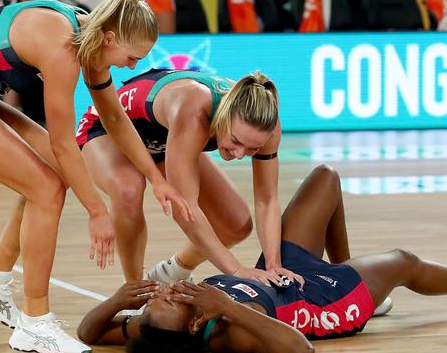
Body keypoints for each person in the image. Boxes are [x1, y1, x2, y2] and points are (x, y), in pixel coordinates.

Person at [0, 0, 193, 353]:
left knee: (53, 175)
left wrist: (156, 178)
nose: (133, 65)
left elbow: (115, 118)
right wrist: (97, 211)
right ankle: (34, 323)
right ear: (111, 38)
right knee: (47, 187)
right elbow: (62, 143)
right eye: (132, 56)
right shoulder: (62, 48)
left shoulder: (91, 36)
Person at [76, 165, 447, 353]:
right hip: (324, 302)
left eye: (157, 299)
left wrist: (119, 299)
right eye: (173, 301)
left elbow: (88, 333)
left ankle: (360, 277)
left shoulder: (151, 328)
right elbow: (299, 352)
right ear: (194, 325)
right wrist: (229, 307)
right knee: (404, 261)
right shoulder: (227, 334)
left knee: (324, 181)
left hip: (280, 275)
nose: (169, 291)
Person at [76, 68, 305, 289]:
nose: (239, 154)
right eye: (235, 141)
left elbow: (267, 200)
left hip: (165, 137)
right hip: (107, 128)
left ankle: (171, 272)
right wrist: (236, 270)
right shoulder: (193, 111)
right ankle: (135, 290)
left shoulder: (269, 128)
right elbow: (184, 209)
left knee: (236, 224)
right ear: (224, 115)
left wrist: (274, 265)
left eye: (252, 148)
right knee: (129, 189)